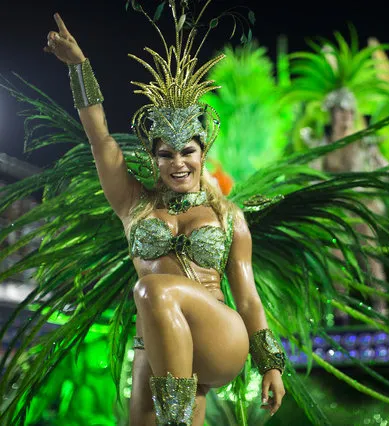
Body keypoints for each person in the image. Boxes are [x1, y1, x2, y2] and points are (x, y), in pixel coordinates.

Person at [43, 11, 285, 426]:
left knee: (152, 287)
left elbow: (246, 296)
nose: (178, 163)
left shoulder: (227, 216)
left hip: (220, 337)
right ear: (153, 159)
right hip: (155, 341)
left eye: (187, 151)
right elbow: (100, 137)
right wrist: (79, 68)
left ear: (203, 154)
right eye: (166, 153)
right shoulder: (133, 204)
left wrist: (271, 364)